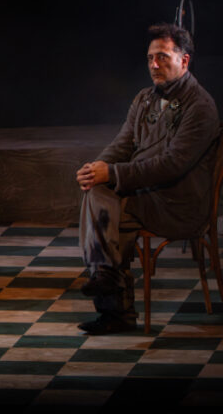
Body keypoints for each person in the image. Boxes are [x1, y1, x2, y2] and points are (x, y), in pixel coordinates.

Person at [76, 23, 219, 335]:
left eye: (163, 57)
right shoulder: (144, 99)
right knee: (97, 194)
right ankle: (109, 284)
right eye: (151, 58)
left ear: (184, 60)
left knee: (105, 209)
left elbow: (172, 165)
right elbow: (123, 144)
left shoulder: (200, 106)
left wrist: (112, 173)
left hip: (177, 202)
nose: (155, 65)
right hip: (146, 194)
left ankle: (110, 291)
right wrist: (97, 167)